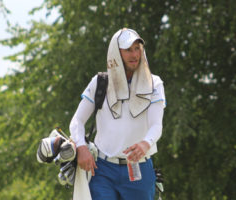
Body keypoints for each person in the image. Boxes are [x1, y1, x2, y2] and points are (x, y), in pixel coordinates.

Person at [69, 28, 166, 200]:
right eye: (128, 49)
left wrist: (145, 144)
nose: (134, 54)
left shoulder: (154, 83)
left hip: (139, 170)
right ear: (116, 52)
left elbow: (156, 125)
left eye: (137, 48)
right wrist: (81, 147)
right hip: (103, 170)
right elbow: (77, 120)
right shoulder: (99, 82)